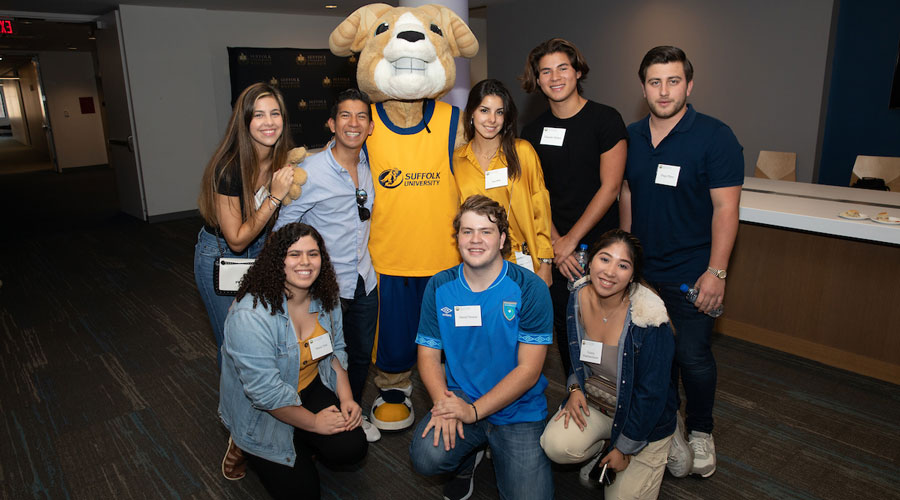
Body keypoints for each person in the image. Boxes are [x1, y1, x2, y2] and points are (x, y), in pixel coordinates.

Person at [620, 46, 743, 479]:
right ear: (643, 88)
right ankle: (665, 423)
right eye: (655, 82)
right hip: (643, 271)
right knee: (655, 355)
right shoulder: (631, 136)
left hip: (694, 271)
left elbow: (726, 210)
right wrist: (625, 258)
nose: (664, 90)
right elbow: (628, 194)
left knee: (692, 356)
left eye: (673, 81)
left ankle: (701, 430)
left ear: (689, 85)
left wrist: (717, 271)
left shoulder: (715, 136)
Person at [409, 195, 554, 500]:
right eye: (467, 231)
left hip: (518, 408)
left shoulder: (530, 288)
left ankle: (482, 442)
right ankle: (468, 456)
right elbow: (428, 356)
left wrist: (473, 412)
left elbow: (529, 372)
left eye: (486, 232)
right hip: (462, 396)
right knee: (425, 457)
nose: (476, 240)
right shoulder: (440, 286)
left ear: (502, 239)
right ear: (457, 238)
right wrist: (444, 404)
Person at [218, 223, 367, 499]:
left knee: (352, 446)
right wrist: (314, 423)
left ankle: (300, 436)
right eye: (294, 254)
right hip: (262, 409)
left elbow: (336, 351)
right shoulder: (250, 316)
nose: (305, 262)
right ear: (277, 261)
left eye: (313, 254)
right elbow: (267, 395)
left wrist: (346, 398)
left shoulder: (326, 296)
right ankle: (243, 442)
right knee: (304, 494)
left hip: (308, 387)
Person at [274, 89, 380, 443]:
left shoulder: (370, 166)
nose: (354, 123)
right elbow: (283, 229)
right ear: (332, 123)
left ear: (370, 126)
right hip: (325, 285)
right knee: (327, 355)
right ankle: (328, 423)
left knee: (360, 356)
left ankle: (354, 410)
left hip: (364, 280)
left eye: (361, 117)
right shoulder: (310, 171)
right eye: (345, 116)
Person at [540, 230, 677, 499]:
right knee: (555, 445)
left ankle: (669, 436)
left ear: (633, 275)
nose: (611, 272)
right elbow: (576, 359)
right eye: (605, 259)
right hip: (599, 404)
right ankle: (605, 442)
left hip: (643, 419)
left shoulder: (649, 318)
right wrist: (575, 387)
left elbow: (651, 393)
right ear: (589, 261)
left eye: (623, 265)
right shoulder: (577, 296)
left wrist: (625, 448)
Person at [520, 38, 628, 380]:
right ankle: (575, 393)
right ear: (537, 81)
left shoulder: (606, 120)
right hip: (553, 247)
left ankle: (613, 400)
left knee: (607, 329)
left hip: (599, 246)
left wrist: (571, 241)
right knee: (566, 327)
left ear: (578, 71)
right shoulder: (532, 131)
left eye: (562, 68)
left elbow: (610, 188)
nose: (554, 77)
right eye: (545, 71)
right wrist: (556, 244)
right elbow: (533, 195)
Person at [194, 82, 295, 370]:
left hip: (262, 251)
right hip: (222, 256)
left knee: (265, 334)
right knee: (234, 342)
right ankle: (236, 414)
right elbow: (237, 239)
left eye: (275, 113)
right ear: (245, 121)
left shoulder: (280, 160)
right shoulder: (228, 167)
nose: (269, 122)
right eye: (259, 115)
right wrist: (274, 196)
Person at [454, 79, 554, 287]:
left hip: (522, 264)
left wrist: (546, 263)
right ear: (471, 113)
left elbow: (540, 209)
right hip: (475, 265)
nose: (492, 119)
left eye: (499, 112)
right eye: (484, 110)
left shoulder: (522, 152)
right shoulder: (457, 160)